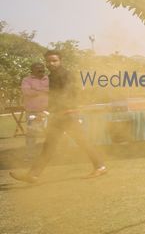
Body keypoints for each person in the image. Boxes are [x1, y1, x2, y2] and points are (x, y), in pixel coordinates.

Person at [10, 50, 107, 183]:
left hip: (68, 114)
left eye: (54, 61)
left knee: (81, 142)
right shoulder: (52, 76)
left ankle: (100, 166)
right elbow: (55, 97)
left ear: (60, 61)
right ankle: (33, 174)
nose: (51, 63)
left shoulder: (65, 75)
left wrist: (48, 111)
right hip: (60, 115)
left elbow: (67, 95)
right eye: (48, 61)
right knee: (50, 146)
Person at [20, 62, 49, 148]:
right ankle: (30, 156)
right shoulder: (26, 80)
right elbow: (27, 92)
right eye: (37, 67)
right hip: (32, 112)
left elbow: (53, 91)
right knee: (31, 134)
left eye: (42, 67)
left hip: (47, 111)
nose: (41, 69)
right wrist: (44, 91)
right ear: (32, 70)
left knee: (50, 132)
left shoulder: (48, 79)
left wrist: (35, 90)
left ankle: (50, 154)